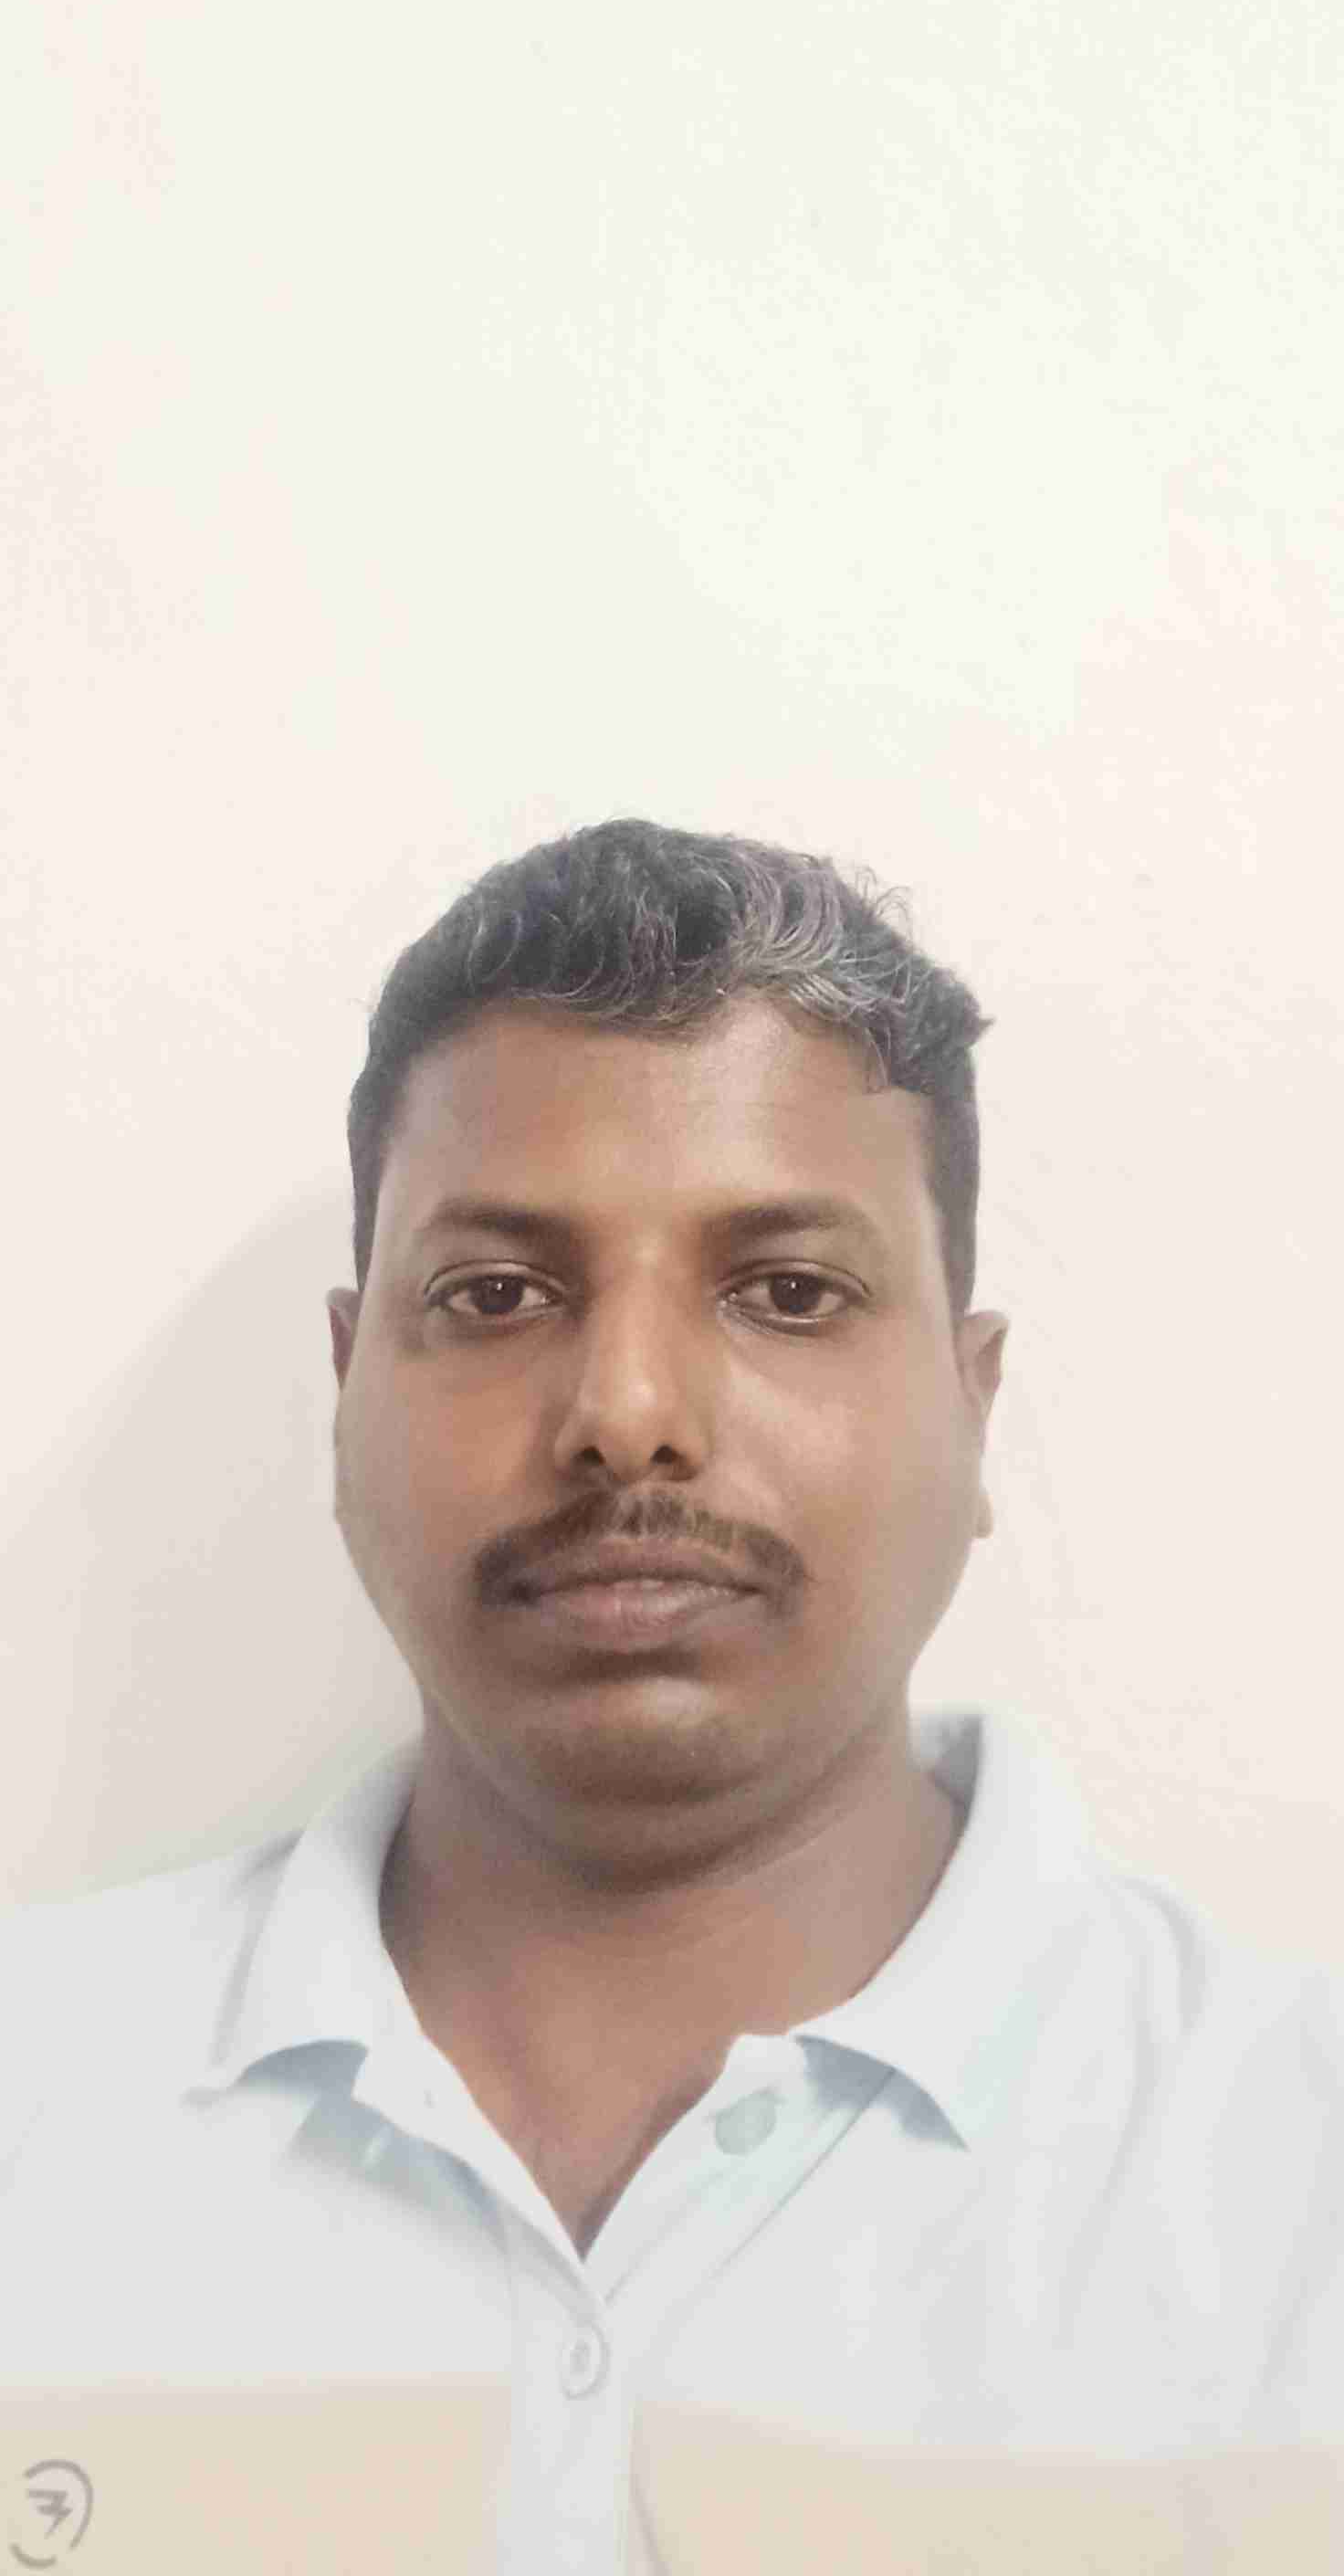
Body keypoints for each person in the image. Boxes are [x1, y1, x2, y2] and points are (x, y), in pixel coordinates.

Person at [3, 817, 1341, 2575]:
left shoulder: (1296, 2186)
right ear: (345, 1393)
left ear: (973, 1405)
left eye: (788, 1291)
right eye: (496, 1293)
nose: (627, 1414)